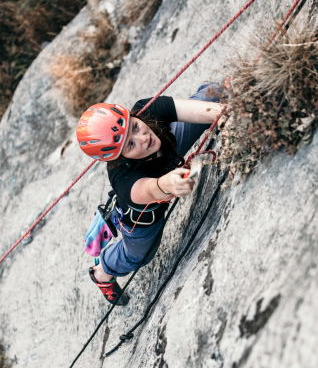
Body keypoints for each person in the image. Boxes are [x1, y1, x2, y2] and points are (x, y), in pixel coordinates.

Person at [76, 83, 224, 305]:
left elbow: (191, 109)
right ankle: (103, 271)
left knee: (214, 93)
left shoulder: (147, 110)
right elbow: (151, 189)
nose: (143, 138)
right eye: (130, 145)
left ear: (133, 115)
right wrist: (168, 184)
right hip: (142, 219)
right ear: (119, 158)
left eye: (134, 127)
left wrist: (223, 113)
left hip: (169, 152)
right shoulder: (123, 179)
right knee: (139, 256)